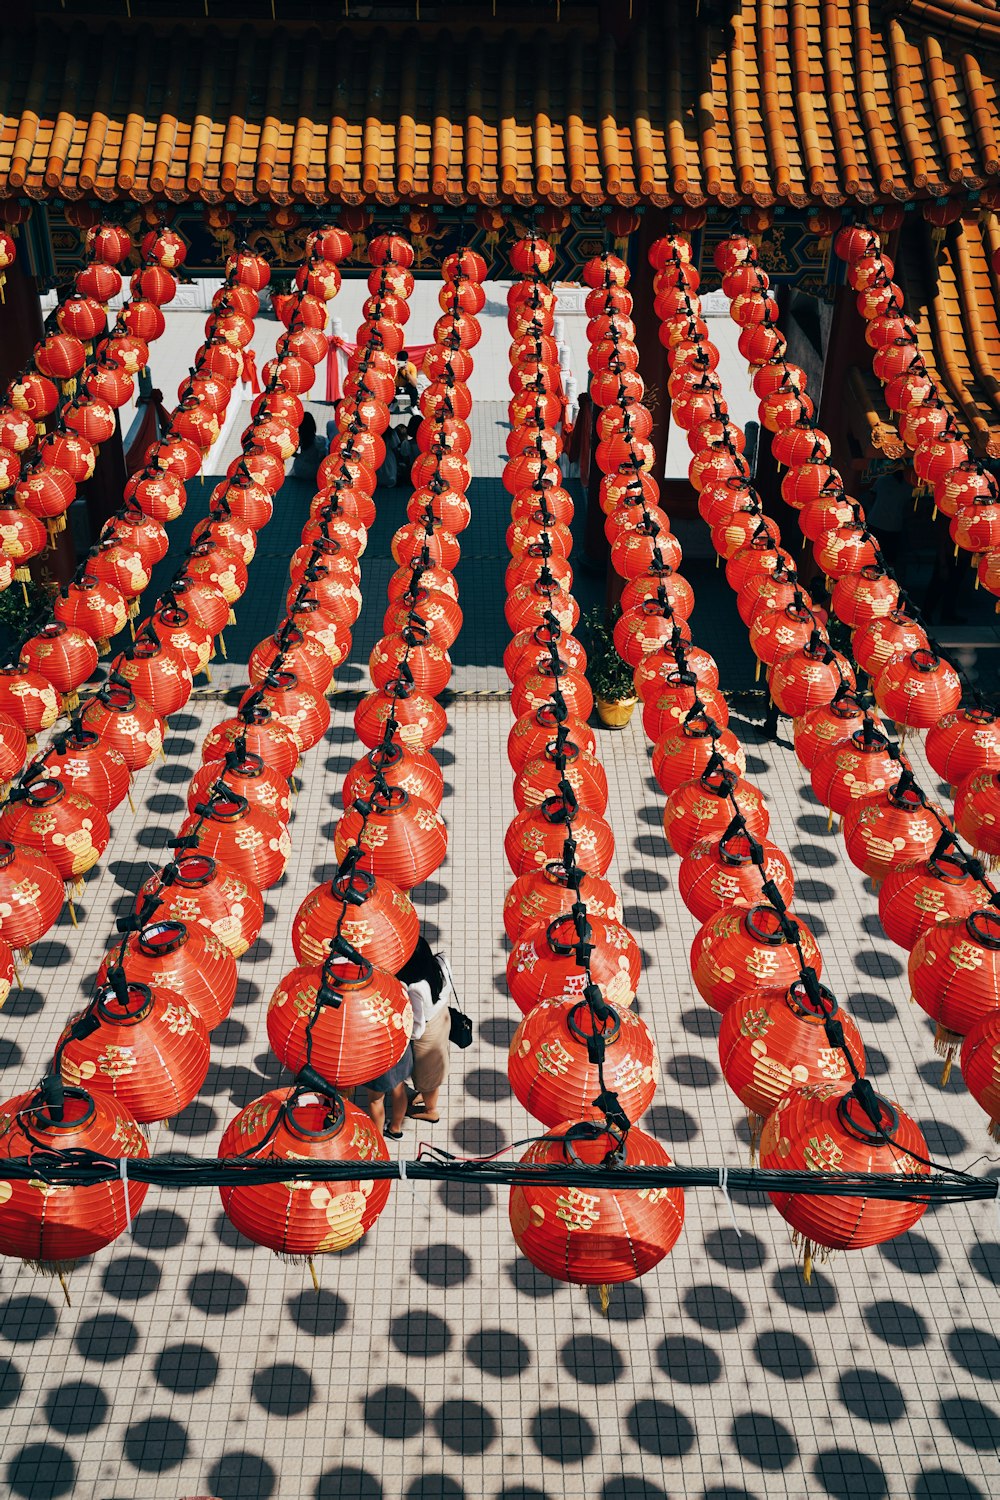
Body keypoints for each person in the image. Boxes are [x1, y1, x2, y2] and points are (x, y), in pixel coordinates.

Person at [398, 937, 452, 1123]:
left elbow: (418, 1028)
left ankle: (431, 1111)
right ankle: (427, 1095)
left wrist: (404, 1037)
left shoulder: (414, 988)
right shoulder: (441, 961)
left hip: (427, 1032)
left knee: (427, 1077)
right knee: (434, 1067)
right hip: (443, 1017)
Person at [361, 1042, 413, 1140]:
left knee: (376, 1100)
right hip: (399, 1045)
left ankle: (379, 1140)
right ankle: (396, 1129)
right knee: (399, 1087)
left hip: (375, 1054)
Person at [290, 410, 327, 482]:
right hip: (314, 471)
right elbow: (323, 457)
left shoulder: (298, 439)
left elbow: (291, 452)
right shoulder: (321, 441)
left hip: (300, 468)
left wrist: (299, 456)